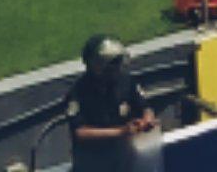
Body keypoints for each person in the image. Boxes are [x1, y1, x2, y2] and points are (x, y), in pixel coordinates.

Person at [64, 34, 156, 171]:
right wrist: (121, 131)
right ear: (96, 65)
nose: (117, 68)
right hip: (93, 163)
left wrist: (147, 120)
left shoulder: (126, 81)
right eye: (112, 64)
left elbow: (145, 107)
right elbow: (80, 131)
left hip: (124, 158)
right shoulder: (78, 92)